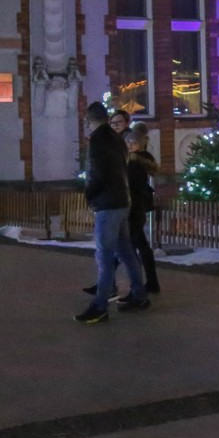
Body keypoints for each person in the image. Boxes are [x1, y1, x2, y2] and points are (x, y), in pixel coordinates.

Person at [76, 101, 149, 323]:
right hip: (122, 201)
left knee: (105, 255)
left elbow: (96, 172)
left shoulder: (97, 140)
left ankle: (100, 306)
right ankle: (139, 294)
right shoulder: (117, 138)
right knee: (126, 251)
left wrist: (89, 194)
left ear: (89, 121)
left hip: (107, 204)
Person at [124, 127, 161, 294]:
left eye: (133, 143)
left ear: (140, 145)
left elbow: (132, 185)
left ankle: (139, 284)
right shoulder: (133, 161)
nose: (130, 145)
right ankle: (150, 281)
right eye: (128, 142)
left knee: (132, 246)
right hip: (135, 208)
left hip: (134, 209)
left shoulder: (136, 163)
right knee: (139, 245)